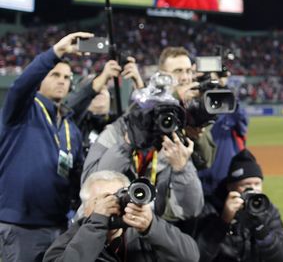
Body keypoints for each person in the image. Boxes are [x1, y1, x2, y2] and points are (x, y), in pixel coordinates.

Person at [0, 31, 90, 262]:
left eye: (67, 77)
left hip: (58, 226)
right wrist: (55, 53)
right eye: (55, 74)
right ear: (41, 78)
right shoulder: (21, 112)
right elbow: (21, 86)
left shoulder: (71, 128)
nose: (62, 80)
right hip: (19, 227)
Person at [82, 73, 205, 222]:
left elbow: (191, 210)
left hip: (151, 228)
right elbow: (89, 187)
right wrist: (126, 145)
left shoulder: (173, 144)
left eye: (164, 115)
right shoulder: (115, 134)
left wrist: (182, 168)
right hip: (111, 220)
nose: (156, 121)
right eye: (151, 113)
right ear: (136, 113)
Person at [42, 169, 200, 262]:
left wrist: (152, 226)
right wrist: (97, 224)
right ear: (85, 207)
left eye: (118, 198)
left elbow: (191, 257)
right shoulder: (71, 238)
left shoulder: (141, 234)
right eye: (103, 199)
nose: (113, 206)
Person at [195, 149, 283, 262]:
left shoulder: (269, 211)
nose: (253, 189)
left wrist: (261, 229)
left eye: (257, 184)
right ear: (230, 187)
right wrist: (223, 221)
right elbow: (198, 256)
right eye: (246, 185)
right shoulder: (210, 209)